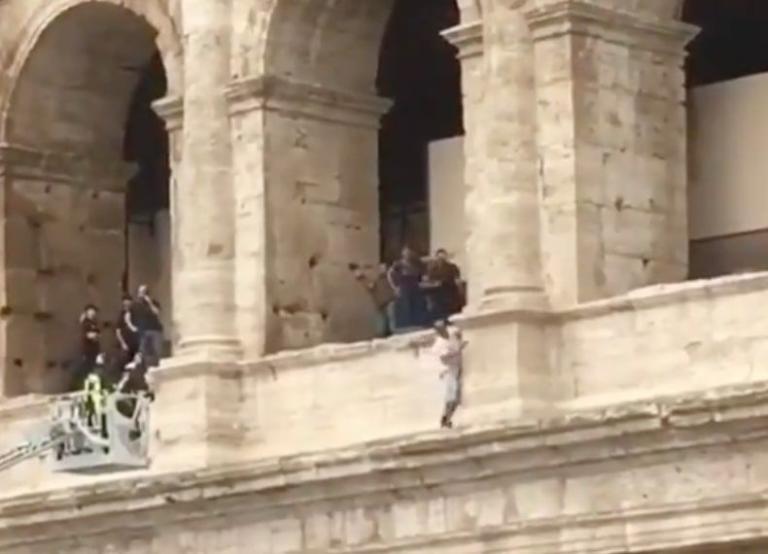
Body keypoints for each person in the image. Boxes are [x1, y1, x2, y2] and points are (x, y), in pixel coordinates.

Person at [430, 320, 467, 429]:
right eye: (440, 329)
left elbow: (459, 334)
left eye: (443, 327)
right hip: (448, 371)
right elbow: (444, 358)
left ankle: (448, 418)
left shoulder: (452, 335)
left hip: (458, 369)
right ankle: (445, 418)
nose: (443, 330)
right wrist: (459, 350)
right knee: (451, 398)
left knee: (457, 398)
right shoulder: (438, 345)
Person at [387, 246, 428, 333]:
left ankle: (417, 324)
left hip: (415, 287)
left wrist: (423, 282)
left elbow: (423, 275)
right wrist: (395, 287)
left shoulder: (417, 263)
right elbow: (390, 274)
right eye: (406, 252)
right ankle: (404, 327)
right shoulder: (399, 264)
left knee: (417, 305)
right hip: (404, 287)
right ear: (403, 254)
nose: (408, 254)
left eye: (410, 252)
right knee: (405, 306)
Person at [351, 263, 396, 338]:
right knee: (382, 324)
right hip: (381, 304)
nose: (382, 269)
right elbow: (370, 286)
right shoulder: (377, 280)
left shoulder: (389, 278)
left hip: (389, 302)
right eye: (380, 268)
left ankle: (392, 336)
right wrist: (361, 277)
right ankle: (384, 336)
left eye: (383, 268)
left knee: (391, 322)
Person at [127, 285, 164, 368]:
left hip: (155, 329)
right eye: (141, 292)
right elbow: (127, 316)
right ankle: (144, 369)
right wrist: (132, 327)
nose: (142, 294)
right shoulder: (135, 305)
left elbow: (157, 313)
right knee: (143, 352)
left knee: (156, 351)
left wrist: (150, 302)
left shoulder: (154, 302)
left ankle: (155, 367)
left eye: (145, 292)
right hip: (142, 331)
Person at [424, 248, 464, 323]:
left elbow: (457, 279)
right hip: (437, 294)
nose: (441, 260)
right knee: (439, 312)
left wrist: (460, 290)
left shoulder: (452, 267)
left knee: (450, 312)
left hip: (450, 292)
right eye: (439, 258)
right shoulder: (432, 269)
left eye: (443, 258)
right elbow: (429, 280)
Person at [73, 304, 101, 390]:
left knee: (92, 368)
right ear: (87, 312)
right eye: (91, 311)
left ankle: (89, 388)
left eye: (94, 311)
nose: (93, 313)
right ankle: (82, 387)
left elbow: (98, 334)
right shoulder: (86, 322)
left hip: (94, 349)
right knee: (86, 369)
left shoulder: (94, 323)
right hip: (87, 349)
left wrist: (96, 335)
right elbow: (89, 335)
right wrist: (94, 335)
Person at [115, 294, 139, 368]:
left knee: (136, 365)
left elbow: (137, 329)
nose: (126, 306)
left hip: (135, 345)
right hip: (126, 345)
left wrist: (129, 323)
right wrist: (123, 343)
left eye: (128, 304)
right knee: (125, 364)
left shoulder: (136, 314)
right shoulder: (121, 315)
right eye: (125, 304)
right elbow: (118, 331)